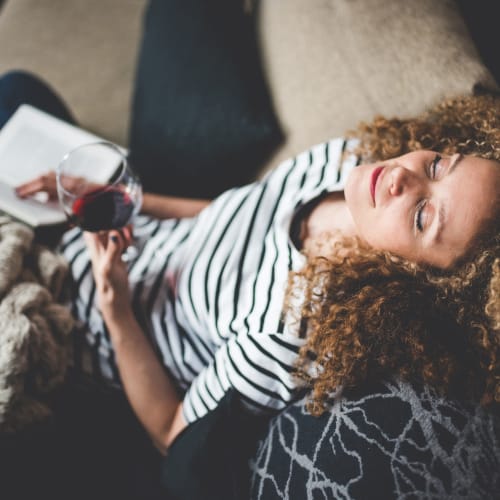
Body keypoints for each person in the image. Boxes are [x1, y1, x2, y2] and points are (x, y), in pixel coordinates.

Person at [5, 71, 500, 458]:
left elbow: (168, 432)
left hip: (76, 324)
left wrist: (116, 309)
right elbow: (231, 215)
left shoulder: (290, 331)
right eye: (437, 165)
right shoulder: (351, 161)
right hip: (112, 231)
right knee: (17, 90)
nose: (402, 176)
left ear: (421, 281)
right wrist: (118, 199)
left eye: (421, 216)